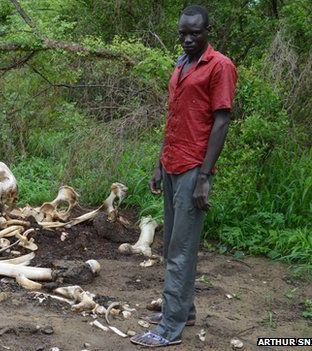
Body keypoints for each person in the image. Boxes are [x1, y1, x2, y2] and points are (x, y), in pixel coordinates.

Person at [130, 5, 238, 348]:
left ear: (208, 31)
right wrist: (160, 164)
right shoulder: (181, 65)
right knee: (173, 247)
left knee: (180, 250)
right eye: (183, 34)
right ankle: (183, 311)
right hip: (174, 163)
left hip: (194, 168)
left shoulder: (219, 66)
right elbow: (174, 117)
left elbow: (221, 121)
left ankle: (169, 330)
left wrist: (206, 176)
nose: (188, 40)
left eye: (195, 33)